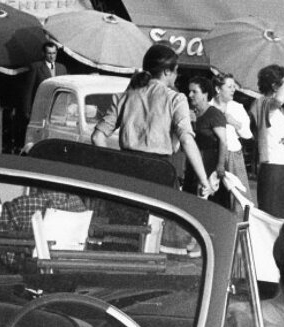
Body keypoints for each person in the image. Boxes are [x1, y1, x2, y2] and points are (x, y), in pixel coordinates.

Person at [91, 44, 209, 194]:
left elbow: (97, 137)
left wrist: (111, 167)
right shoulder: (176, 99)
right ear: (167, 71)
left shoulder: (125, 96)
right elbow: (186, 140)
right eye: (176, 71)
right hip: (159, 173)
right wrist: (204, 180)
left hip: (125, 171)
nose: (177, 75)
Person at [251, 64, 284, 217]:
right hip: (273, 165)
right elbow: (277, 101)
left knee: (283, 215)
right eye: (283, 83)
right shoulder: (262, 103)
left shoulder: (279, 110)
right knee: (270, 213)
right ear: (274, 85)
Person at [184, 75, 228, 206]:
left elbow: (223, 141)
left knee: (205, 199)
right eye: (189, 91)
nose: (190, 94)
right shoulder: (190, 113)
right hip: (193, 162)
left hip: (208, 162)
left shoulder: (214, 114)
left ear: (205, 94)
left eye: (194, 91)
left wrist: (220, 165)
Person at [215, 73, 253, 191]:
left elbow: (248, 134)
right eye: (229, 87)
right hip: (212, 154)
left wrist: (234, 122)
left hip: (232, 155)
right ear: (218, 89)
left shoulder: (237, 107)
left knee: (238, 193)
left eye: (234, 86)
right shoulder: (209, 106)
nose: (233, 90)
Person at [23, 41, 65, 128]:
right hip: (40, 108)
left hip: (57, 110)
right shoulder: (36, 67)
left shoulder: (62, 68)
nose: (52, 56)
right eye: (49, 53)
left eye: (54, 53)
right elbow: (28, 90)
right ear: (44, 53)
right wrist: (27, 111)